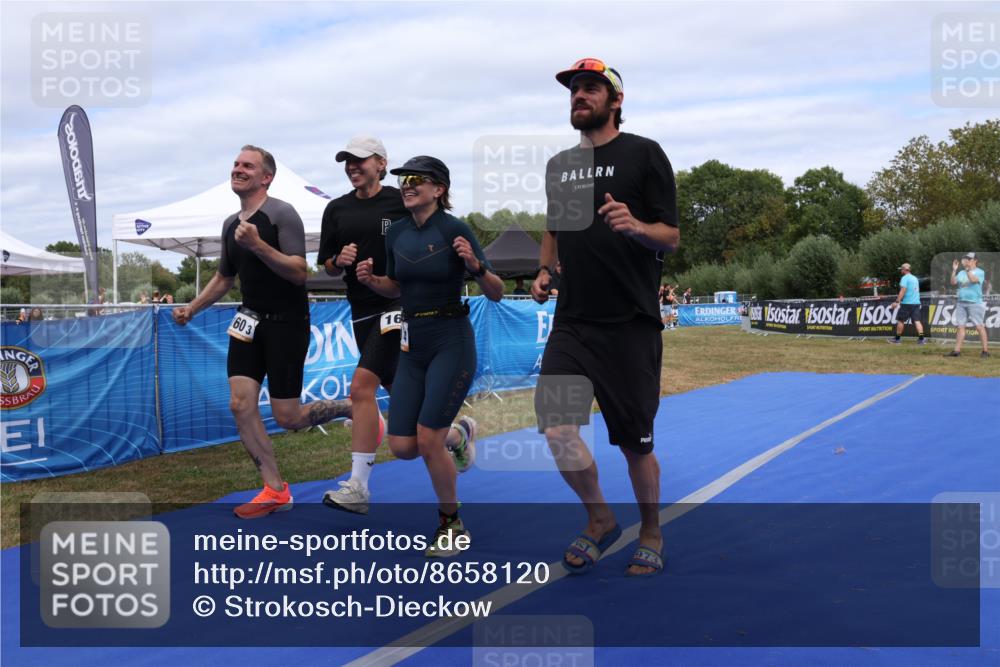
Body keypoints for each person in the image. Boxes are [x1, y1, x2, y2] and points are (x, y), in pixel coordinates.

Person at [532, 58, 679, 577]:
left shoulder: (644, 153)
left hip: (630, 324)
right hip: (573, 322)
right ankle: (599, 520)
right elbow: (554, 226)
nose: (579, 96)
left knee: (635, 443)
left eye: (590, 88)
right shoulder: (561, 166)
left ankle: (652, 530)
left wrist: (636, 225)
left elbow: (671, 235)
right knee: (556, 429)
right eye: (574, 89)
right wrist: (545, 269)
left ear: (615, 100)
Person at [172, 145, 353, 519]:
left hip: (287, 322)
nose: (238, 169)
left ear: (266, 176)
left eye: (247, 166)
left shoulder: (281, 214)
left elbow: (299, 272)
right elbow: (225, 277)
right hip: (248, 322)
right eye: (236, 163)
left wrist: (257, 244)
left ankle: (353, 408)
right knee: (240, 404)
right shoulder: (229, 224)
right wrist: (192, 307)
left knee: (288, 418)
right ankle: (274, 488)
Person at [356, 155, 504, 557]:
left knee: (426, 441)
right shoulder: (397, 233)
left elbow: (496, 291)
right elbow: (394, 287)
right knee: (402, 447)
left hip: (451, 340)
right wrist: (373, 281)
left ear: (438, 189)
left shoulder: (454, 228)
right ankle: (461, 435)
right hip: (412, 343)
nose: (406, 185)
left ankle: (451, 524)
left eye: (416, 179)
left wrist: (475, 266)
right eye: (403, 179)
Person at [316, 136, 409, 514]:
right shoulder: (335, 209)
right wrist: (340, 259)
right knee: (401, 395)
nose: (352, 166)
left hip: (398, 302)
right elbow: (325, 264)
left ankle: (358, 487)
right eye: (347, 162)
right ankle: (455, 436)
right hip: (360, 310)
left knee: (360, 387)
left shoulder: (400, 201)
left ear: (382, 164)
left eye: (360, 160)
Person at [946, 252, 989, 359]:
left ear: (975, 261)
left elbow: (973, 280)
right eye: (966, 259)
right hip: (961, 302)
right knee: (960, 327)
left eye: (969, 259)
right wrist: (955, 269)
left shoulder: (980, 272)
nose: (967, 261)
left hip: (975, 303)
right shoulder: (961, 272)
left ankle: (985, 351)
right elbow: (953, 282)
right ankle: (957, 351)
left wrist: (967, 269)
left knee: (979, 327)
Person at [888, 263, 925, 345]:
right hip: (916, 303)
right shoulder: (915, 278)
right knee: (917, 321)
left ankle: (897, 340)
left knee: (900, 320)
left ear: (904, 270)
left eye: (901, 269)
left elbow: (903, 290)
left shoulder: (904, 278)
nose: (901, 271)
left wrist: (897, 301)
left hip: (907, 303)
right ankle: (921, 339)